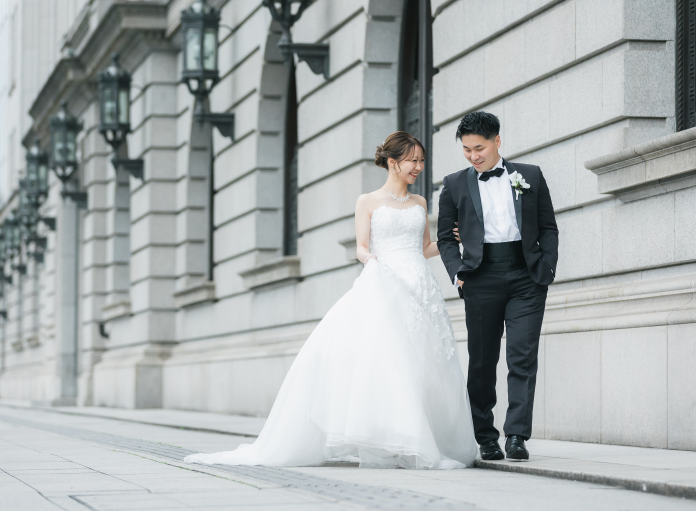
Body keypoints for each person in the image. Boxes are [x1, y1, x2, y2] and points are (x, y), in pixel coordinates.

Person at [185, 131, 478, 469]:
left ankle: (419, 440)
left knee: (422, 364)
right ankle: (394, 441)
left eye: (421, 160)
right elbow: (361, 247)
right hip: (385, 283)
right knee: (391, 361)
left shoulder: (421, 203)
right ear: (392, 162)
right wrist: (370, 261)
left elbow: (423, 248)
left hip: (421, 289)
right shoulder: (367, 201)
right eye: (413, 160)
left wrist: (451, 241)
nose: (419, 166)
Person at [438, 111, 558, 461]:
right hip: (480, 277)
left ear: (497, 141)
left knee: (522, 357)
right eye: (466, 150)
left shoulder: (530, 175)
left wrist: (547, 266)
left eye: (479, 148)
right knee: (482, 361)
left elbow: (548, 226)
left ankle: (517, 435)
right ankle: (486, 437)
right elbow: (445, 237)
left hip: (526, 277)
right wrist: (457, 272)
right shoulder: (454, 184)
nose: (473, 156)